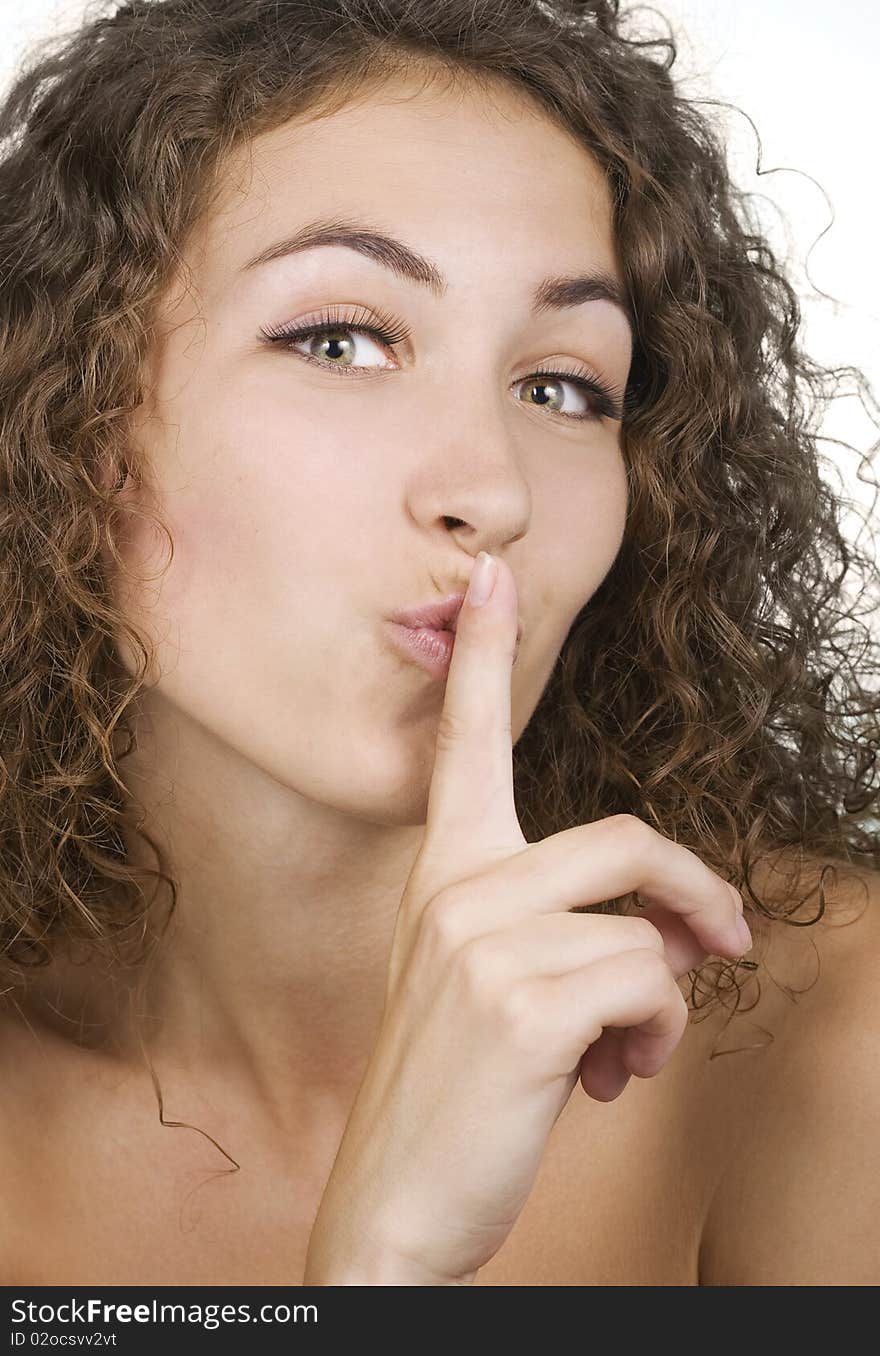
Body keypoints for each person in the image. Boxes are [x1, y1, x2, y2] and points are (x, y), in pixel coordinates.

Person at [0, 0, 877, 1287]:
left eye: (561, 387)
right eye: (341, 341)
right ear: (67, 420)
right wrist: (384, 1270)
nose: (495, 491)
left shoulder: (833, 1036)